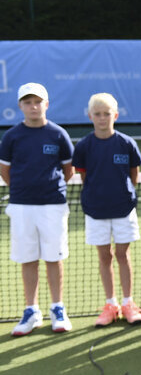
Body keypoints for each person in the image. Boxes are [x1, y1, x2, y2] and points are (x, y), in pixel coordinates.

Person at [1, 82, 74, 336]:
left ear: (46, 104)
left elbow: (68, 170)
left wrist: (46, 189)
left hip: (52, 206)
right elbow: (5, 171)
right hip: (21, 206)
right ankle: (32, 311)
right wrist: (24, 190)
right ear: (21, 106)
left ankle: (57, 308)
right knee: (28, 259)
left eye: (38, 101)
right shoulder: (11, 137)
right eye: (28, 102)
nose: (33, 106)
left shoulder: (58, 134)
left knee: (54, 258)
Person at [72, 93, 141, 326]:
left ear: (115, 115)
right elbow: (83, 176)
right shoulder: (83, 146)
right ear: (90, 116)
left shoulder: (126, 144)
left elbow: (134, 175)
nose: (102, 119)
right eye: (97, 114)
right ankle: (111, 304)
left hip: (124, 209)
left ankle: (128, 303)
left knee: (123, 255)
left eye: (107, 114)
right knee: (105, 257)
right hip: (95, 211)